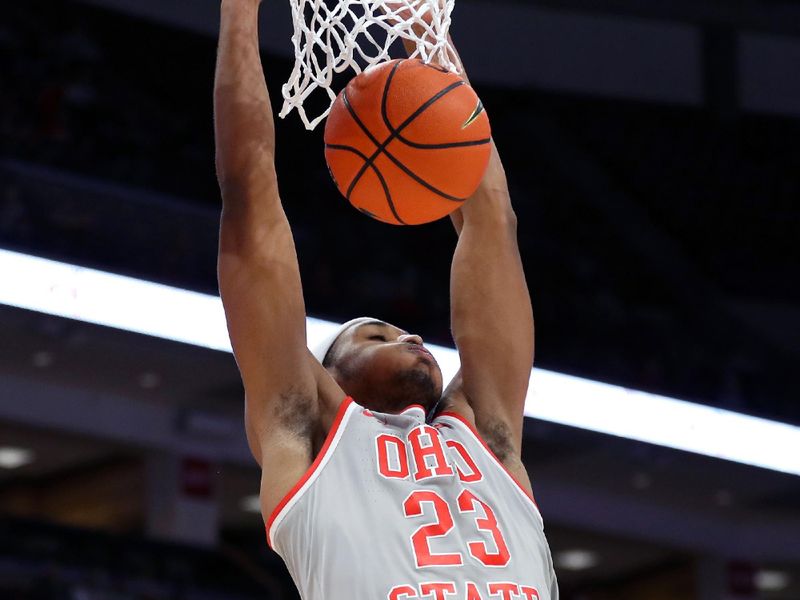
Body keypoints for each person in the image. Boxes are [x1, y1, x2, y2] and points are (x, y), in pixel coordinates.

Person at [214, 0, 558, 598]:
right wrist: (239, 16)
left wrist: (428, 35)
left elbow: (492, 221)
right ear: (327, 374)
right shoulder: (306, 430)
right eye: (375, 335)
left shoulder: (486, 435)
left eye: (398, 331)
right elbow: (249, 192)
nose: (413, 337)